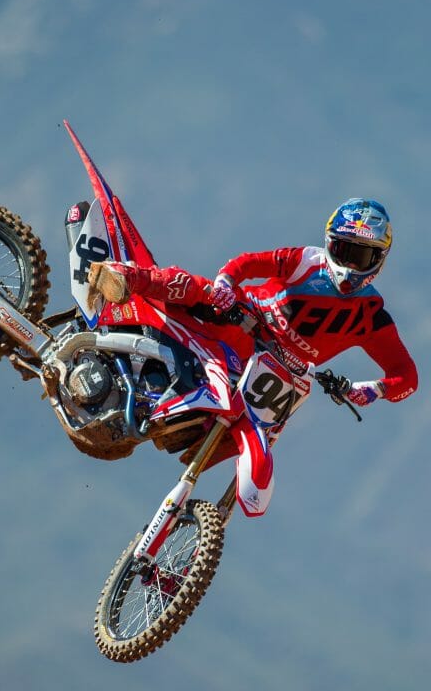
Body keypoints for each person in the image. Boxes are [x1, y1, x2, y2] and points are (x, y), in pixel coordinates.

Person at [86, 198, 418, 514]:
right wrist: (225, 284)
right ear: (330, 243)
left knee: (259, 433)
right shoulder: (305, 261)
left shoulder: (371, 314)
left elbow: (407, 377)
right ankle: (126, 276)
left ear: (379, 259)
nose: (349, 266)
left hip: (281, 374)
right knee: (200, 290)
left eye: (360, 257)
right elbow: (246, 263)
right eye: (344, 251)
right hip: (241, 321)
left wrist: (375, 389)